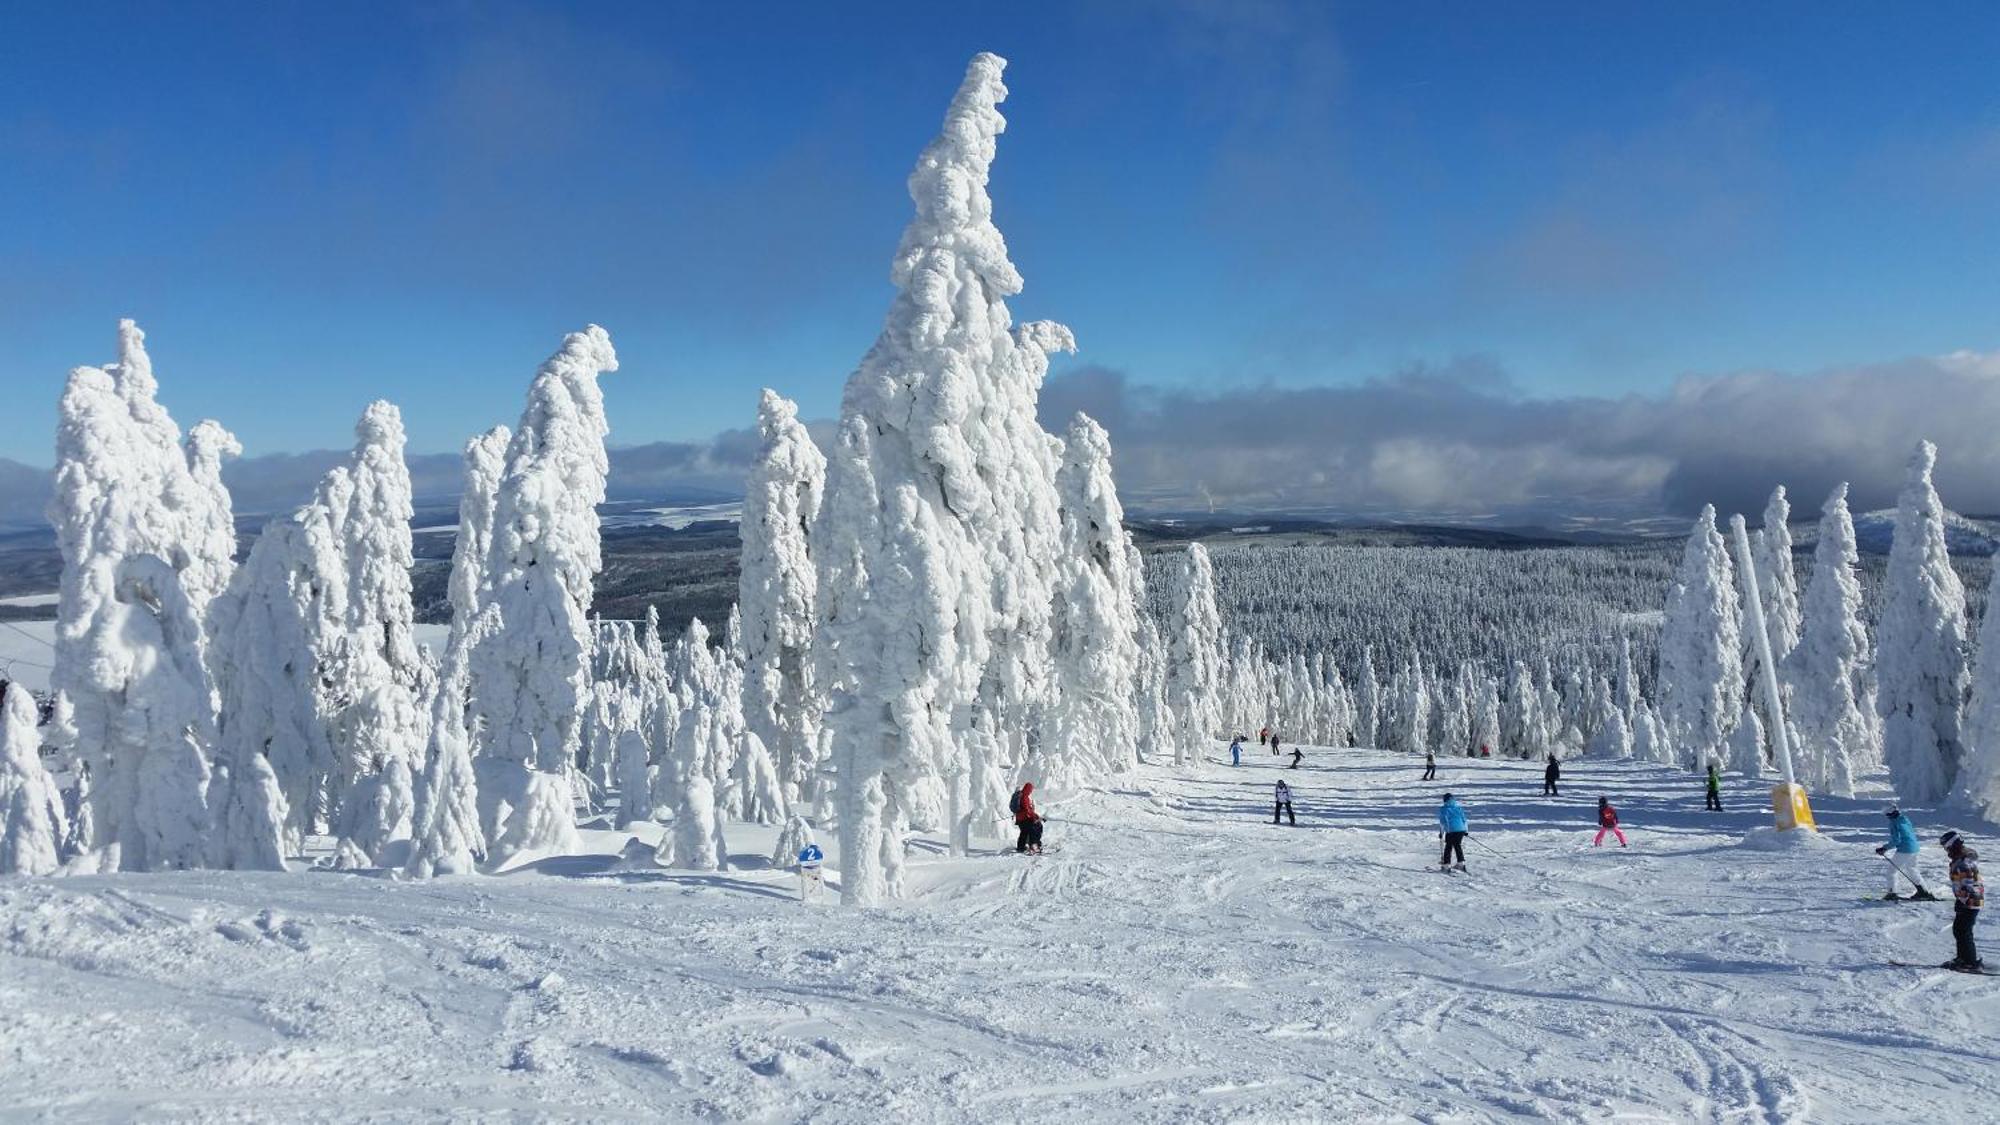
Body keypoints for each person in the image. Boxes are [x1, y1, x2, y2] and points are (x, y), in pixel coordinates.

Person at [1941, 830, 1984, 972]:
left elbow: (1969, 884)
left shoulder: (1964, 862)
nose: (1945, 849)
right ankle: (1963, 958)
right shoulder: (1961, 858)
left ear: (1952, 844)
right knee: (1960, 929)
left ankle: (1970, 962)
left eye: (1946, 846)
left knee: (1963, 931)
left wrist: (1963, 900)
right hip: (1968, 899)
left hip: (1970, 900)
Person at [1875, 806, 1936, 901]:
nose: (1887, 816)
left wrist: (1884, 848)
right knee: (1911, 869)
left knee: (1891, 872)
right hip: (1914, 847)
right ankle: (1923, 891)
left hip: (1905, 850)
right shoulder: (1904, 819)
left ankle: (1892, 893)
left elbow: (1896, 840)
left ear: (1889, 814)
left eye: (1886, 814)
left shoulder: (1894, 823)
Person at [1437, 793, 1469, 871]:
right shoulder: (1458, 808)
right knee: (1457, 845)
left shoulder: (1444, 809)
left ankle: (1446, 865)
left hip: (1451, 831)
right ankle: (1461, 863)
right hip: (1461, 830)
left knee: (1448, 847)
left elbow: (1443, 822)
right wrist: (1466, 830)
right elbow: (1464, 820)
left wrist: (1441, 833)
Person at [1012, 782, 1045, 855]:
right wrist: (1035, 816)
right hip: (1024, 818)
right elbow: (1027, 810)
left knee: (1024, 833)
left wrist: (1035, 815)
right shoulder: (1024, 797)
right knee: (1034, 830)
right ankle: (1034, 846)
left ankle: (1020, 847)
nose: (1031, 791)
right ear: (1028, 789)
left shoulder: (1021, 795)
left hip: (1020, 819)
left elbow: (1027, 809)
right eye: (1030, 790)